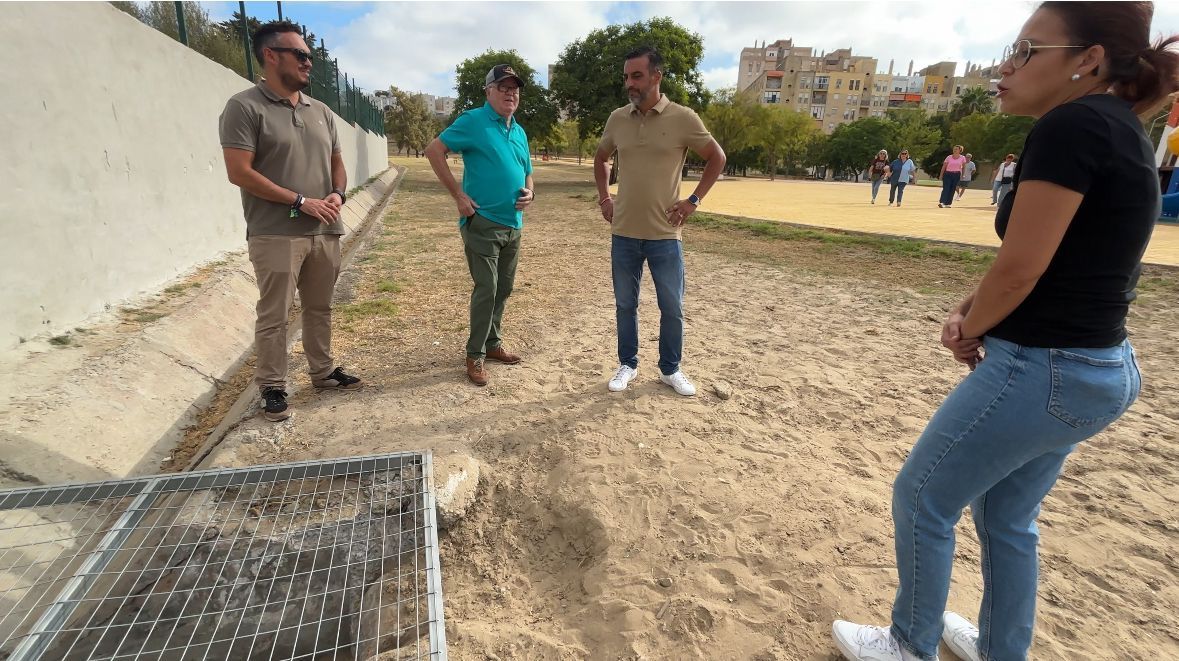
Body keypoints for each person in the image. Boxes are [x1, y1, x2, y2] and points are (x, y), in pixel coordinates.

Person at [832, 2, 1176, 660]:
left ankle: (907, 643)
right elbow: (1051, 259)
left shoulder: (1071, 126)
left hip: (1045, 367)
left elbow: (1021, 268)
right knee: (1005, 519)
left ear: (1087, 60)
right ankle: (999, 649)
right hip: (1095, 368)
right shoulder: (1115, 127)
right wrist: (975, 310)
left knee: (921, 496)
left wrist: (969, 325)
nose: (1002, 68)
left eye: (1024, 51)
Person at [219, 21, 361, 422]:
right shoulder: (244, 107)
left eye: (310, 57)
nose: (307, 63)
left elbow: (337, 163)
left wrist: (337, 195)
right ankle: (273, 386)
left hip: (325, 228)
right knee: (275, 313)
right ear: (270, 55)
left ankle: (323, 371)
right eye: (299, 55)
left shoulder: (322, 112)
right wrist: (301, 201)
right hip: (275, 231)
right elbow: (239, 172)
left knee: (319, 307)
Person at [593, 46, 726, 397]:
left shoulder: (683, 118)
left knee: (672, 306)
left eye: (636, 76)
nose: (629, 83)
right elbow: (601, 157)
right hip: (623, 233)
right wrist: (604, 197)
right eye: (626, 77)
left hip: (666, 234)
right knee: (625, 305)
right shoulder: (617, 118)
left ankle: (671, 369)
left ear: (656, 76)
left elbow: (717, 157)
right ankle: (628, 363)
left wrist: (693, 201)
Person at [424, 64, 535, 386]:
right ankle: (475, 355)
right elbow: (435, 151)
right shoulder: (474, 121)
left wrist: (530, 191)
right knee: (487, 288)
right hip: (483, 222)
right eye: (502, 87)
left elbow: (526, 170)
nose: (510, 93)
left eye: (514, 88)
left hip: (514, 224)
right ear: (488, 92)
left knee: (504, 288)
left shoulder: (519, 130)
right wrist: (458, 195)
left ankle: (493, 342)